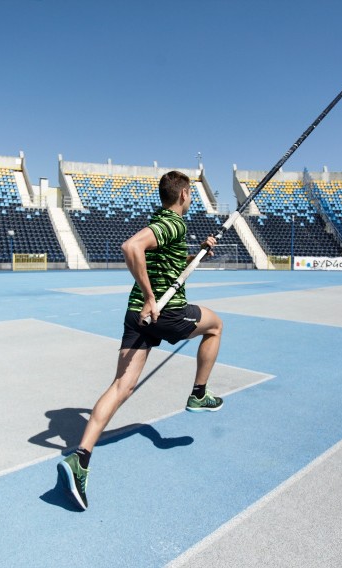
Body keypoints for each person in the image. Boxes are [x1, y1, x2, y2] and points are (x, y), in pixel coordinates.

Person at [57, 170, 225, 511]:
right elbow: (130, 246)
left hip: (137, 316)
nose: (191, 200)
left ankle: (80, 459)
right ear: (182, 195)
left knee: (121, 386)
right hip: (166, 313)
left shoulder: (163, 222)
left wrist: (199, 253)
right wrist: (151, 295)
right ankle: (198, 394)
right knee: (216, 326)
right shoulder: (174, 224)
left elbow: (167, 262)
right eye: (191, 194)